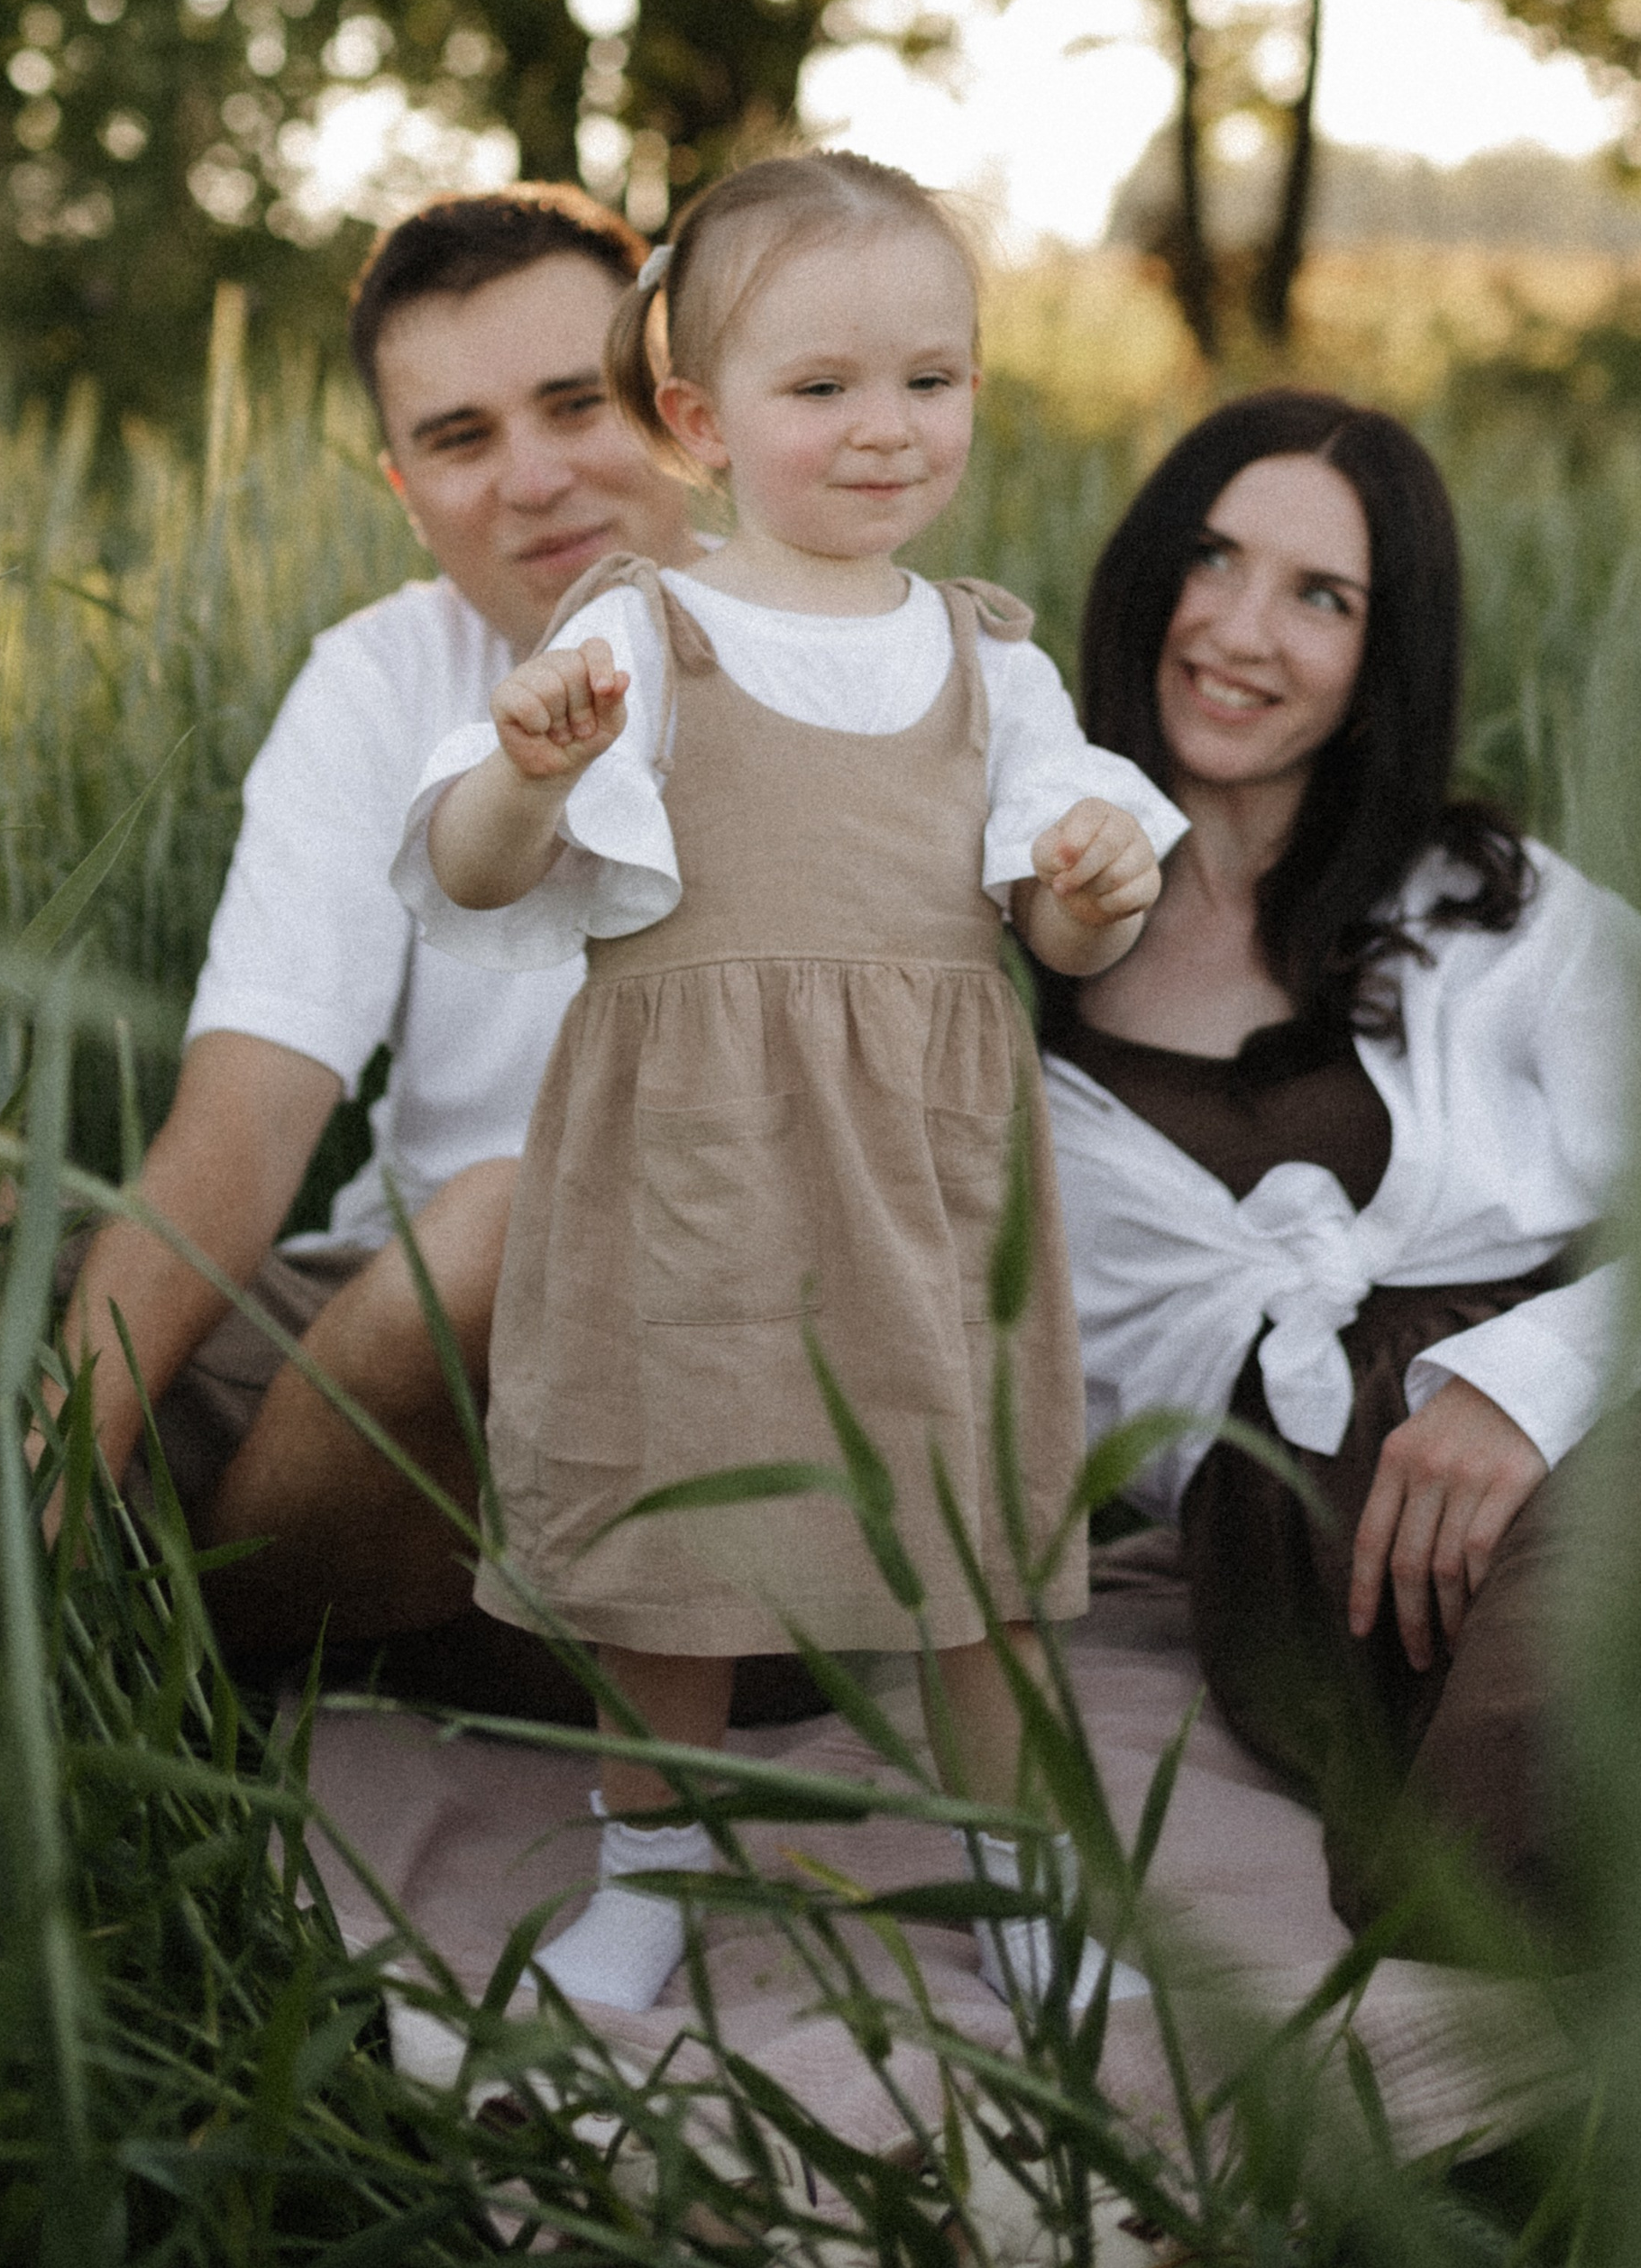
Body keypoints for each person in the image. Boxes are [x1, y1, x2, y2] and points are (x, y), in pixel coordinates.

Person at [1043, 387, 1641, 1947]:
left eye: (1321, 596)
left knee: (1519, 1786)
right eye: (1213, 558)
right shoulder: (991, 982)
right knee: (1475, 1852)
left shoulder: (1484, 909)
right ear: (1145, 571)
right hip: (1370, 1614)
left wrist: (1521, 1384)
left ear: (1381, 661)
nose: (1240, 628)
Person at [398, 150, 1185, 2011]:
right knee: (674, 1532)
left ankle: (1019, 1891)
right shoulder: (642, 631)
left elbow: (1062, 932)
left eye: (931, 379)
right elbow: (475, 872)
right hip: (696, 1169)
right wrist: (524, 771)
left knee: (980, 1547)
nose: (886, 426)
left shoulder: (988, 661)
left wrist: (1092, 887)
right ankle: (652, 1875)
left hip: (931, 1182)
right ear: (699, 421)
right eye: (822, 386)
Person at [57, 182, 701, 1684]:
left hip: (724, 1361)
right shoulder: (381, 677)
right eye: (462, 438)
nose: (531, 477)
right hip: (386, 1325)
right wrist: (61, 1444)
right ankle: (120, 1576)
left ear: (679, 404)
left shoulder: (846, 657)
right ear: (406, 490)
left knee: (508, 1227)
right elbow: (243, 1123)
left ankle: (164, 1659)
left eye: (576, 404)